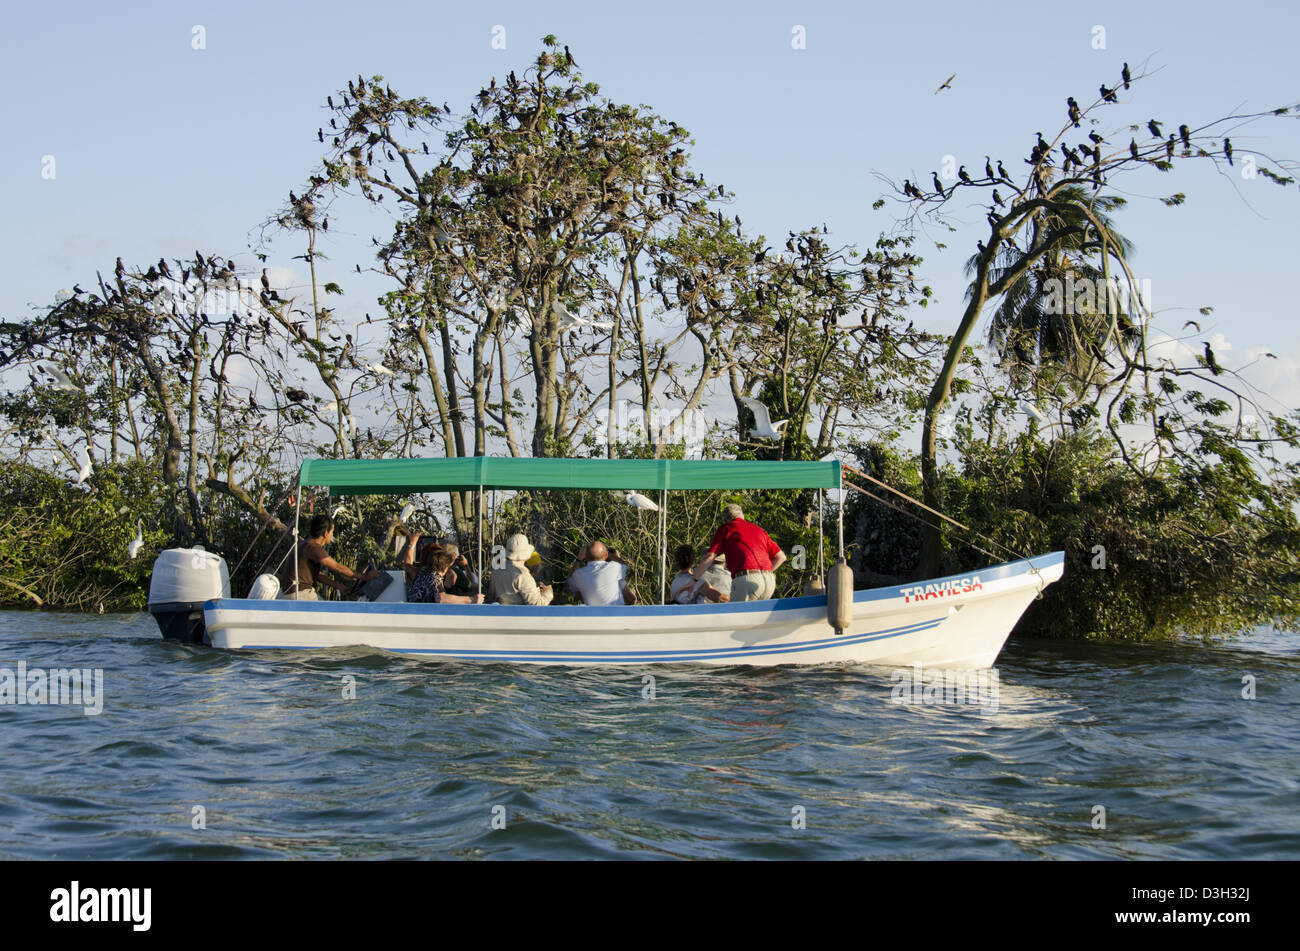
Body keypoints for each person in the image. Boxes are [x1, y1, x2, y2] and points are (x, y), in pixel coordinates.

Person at [683, 504, 786, 602]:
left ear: (725, 520)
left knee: (735, 617)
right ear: (742, 516)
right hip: (769, 581)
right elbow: (781, 557)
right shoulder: (759, 530)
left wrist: (694, 580)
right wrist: (761, 573)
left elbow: (710, 557)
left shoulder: (726, 528)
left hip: (746, 580)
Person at [278, 513, 379, 600]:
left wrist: (339, 586)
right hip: (298, 594)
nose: (332, 535)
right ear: (326, 533)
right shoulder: (313, 547)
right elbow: (337, 567)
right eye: (332, 532)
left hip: (292, 592)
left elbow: (317, 575)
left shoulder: (305, 544)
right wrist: (364, 576)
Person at [403, 543, 483, 604]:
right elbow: (441, 598)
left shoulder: (422, 573)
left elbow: (407, 566)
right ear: (445, 569)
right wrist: (471, 599)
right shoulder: (436, 580)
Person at [491, 534, 554, 605]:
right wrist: (548, 593)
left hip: (500, 614)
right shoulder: (522, 576)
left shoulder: (497, 570)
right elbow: (537, 604)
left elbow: (491, 596)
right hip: (518, 614)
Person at [568, 540, 635, 606]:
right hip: (615, 614)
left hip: (593, 615)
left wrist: (579, 558)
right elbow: (632, 599)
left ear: (586, 557)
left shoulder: (579, 575)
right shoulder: (615, 569)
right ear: (606, 555)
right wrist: (613, 555)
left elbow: (570, 579)